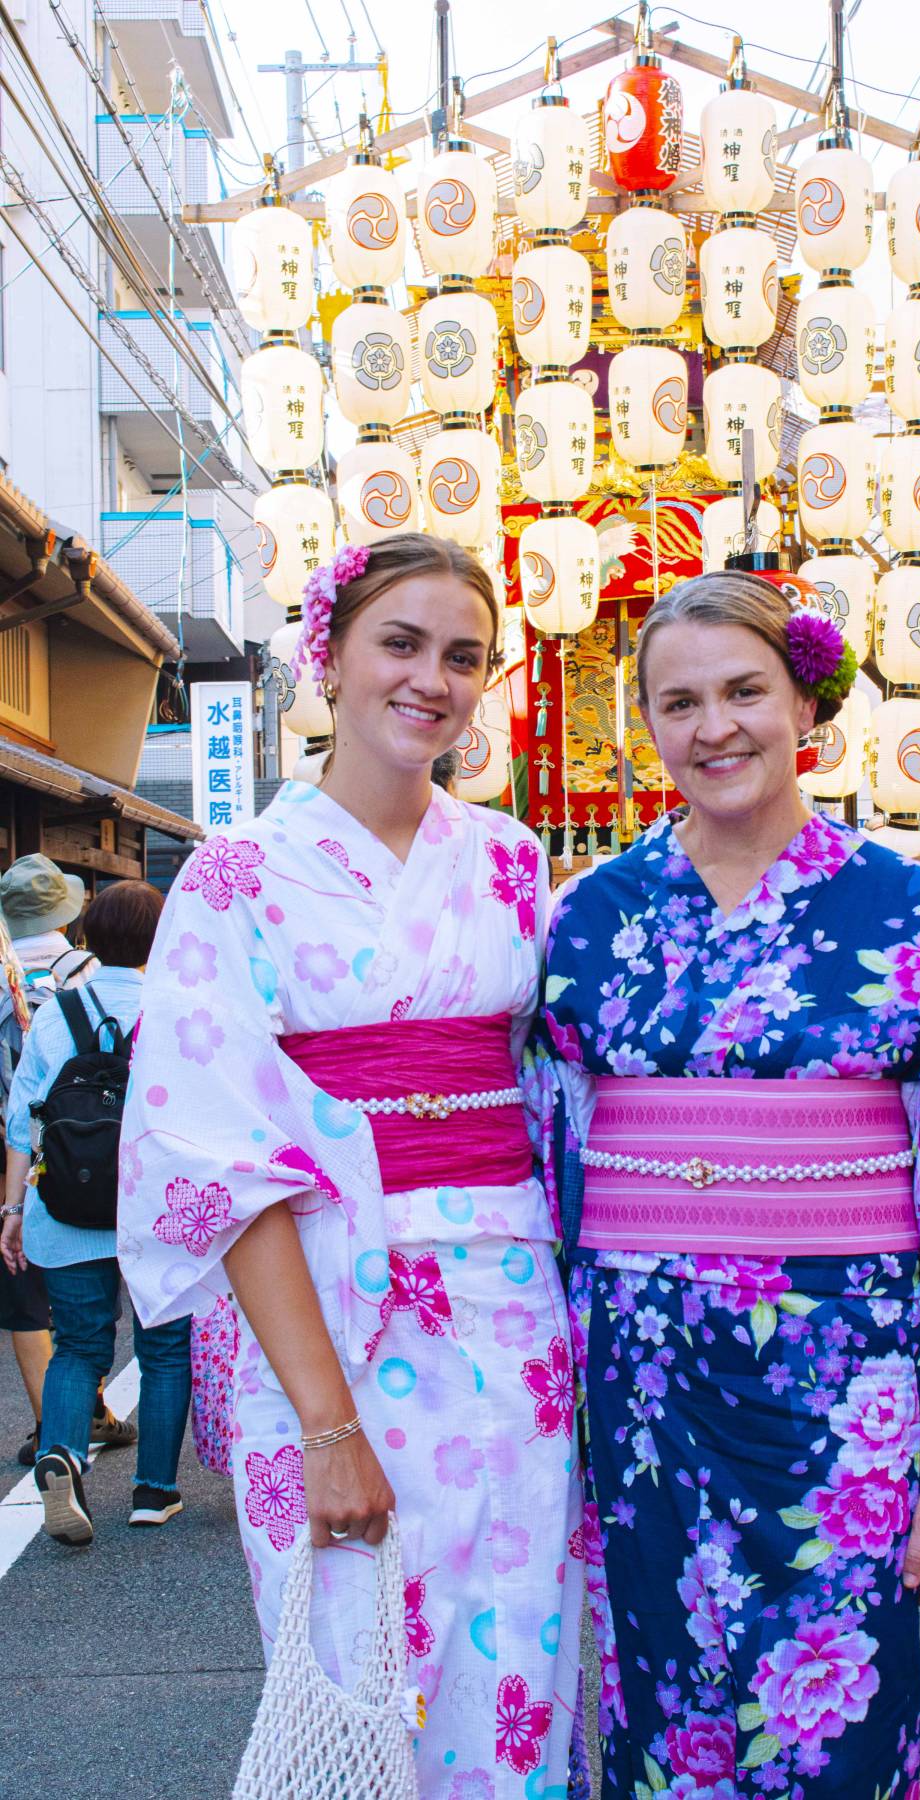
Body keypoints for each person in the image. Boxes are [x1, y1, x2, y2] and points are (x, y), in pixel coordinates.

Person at [536, 573, 920, 1797]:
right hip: (642, 1386)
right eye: (678, 702)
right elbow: (534, 1156)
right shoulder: (588, 917)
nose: (714, 726)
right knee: (658, 1708)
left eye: (744, 691)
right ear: (648, 725)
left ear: (805, 707)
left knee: (837, 1721)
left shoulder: (903, 904)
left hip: (845, 1387)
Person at [119, 536, 581, 1795]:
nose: (432, 678)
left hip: (513, 1319)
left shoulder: (509, 861)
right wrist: (327, 1427)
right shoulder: (232, 878)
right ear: (328, 656)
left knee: (518, 1679)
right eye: (402, 643)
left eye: (464, 656)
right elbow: (215, 1158)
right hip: (329, 1318)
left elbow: (558, 1088)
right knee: (356, 1675)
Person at [0, 880, 191, 1545]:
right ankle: (154, 1493)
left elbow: (22, 1118)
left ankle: (63, 1455)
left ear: (88, 937)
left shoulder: (56, 1012)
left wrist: (12, 1207)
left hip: (68, 1203)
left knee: (79, 1347)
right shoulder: (175, 1007)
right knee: (164, 1346)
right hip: (158, 1207)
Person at [0, 856, 131, 1468]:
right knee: (120, 1311)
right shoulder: (84, 973)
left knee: (25, 1291)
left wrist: (12, 1201)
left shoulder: (3, 973)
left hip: (16, 1146)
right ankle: (97, 1412)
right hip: (97, 1144)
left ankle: (51, 1428)